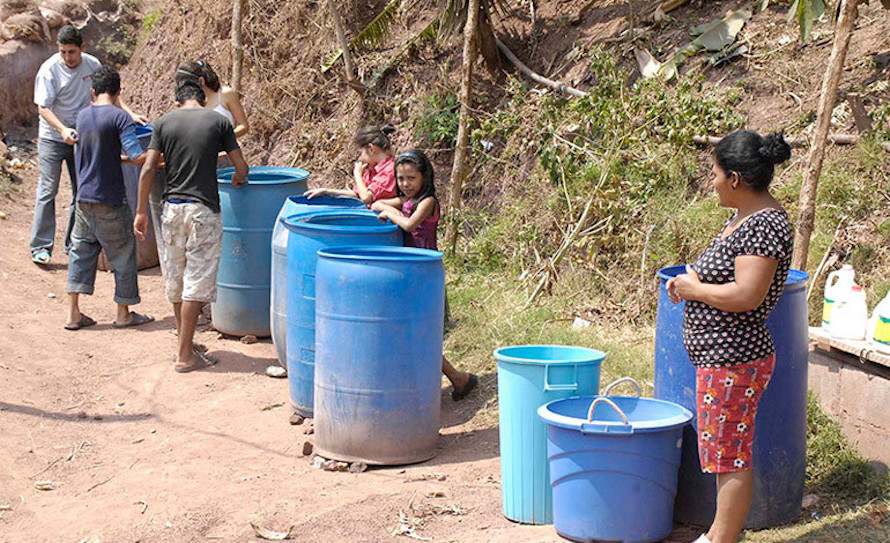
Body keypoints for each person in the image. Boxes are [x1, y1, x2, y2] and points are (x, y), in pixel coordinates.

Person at [665, 130, 793, 543]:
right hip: (720, 358)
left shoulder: (765, 224)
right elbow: (724, 276)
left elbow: (747, 294)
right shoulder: (743, 218)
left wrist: (696, 290)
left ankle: (720, 538)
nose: (712, 181)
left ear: (735, 179)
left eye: (716, 173)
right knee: (723, 450)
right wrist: (690, 282)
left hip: (734, 359)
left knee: (729, 455)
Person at [133, 81, 249, 373]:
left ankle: (185, 344)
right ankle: (185, 356)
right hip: (203, 212)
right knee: (196, 283)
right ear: (203, 100)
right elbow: (241, 166)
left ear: (177, 102)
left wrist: (140, 211)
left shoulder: (163, 123)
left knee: (177, 280)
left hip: (171, 210)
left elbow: (148, 168)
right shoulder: (218, 122)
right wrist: (239, 177)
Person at [31, 25, 146, 265]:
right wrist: (62, 129)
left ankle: (72, 244)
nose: (67, 57)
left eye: (72, 52)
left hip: (83, 137)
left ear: (82, 48)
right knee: (48, 190)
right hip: (54, 137)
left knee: (80, 190)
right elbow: (43, 108)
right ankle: (41, 246)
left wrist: (130, 113)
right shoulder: (49, 71)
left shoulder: (92, 65)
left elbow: (109, 92)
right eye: (63, 52)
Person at [372, 149, 478, 401]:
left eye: (412, 178)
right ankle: (453, 379)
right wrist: (388, 207)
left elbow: (410, 225)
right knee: (409, 333)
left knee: (420, 334)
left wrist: (392, 213)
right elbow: (376, 203)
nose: (405, 184)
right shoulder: (406, 202)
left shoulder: (428, 202)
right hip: (407, 273)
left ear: (424, 177)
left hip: (424, 274)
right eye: (400, 178)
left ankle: (458, 378)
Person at [65, 66, 155, 331]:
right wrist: (157, 158)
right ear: (118, 91)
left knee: (80, 252)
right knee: (123, 254)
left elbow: (97, 152)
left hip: (83, 198)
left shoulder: (82, 116)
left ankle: (73, 314)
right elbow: (136, 155)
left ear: (93, 91)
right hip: (110, 199)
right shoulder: (119, 117)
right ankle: (123, 313)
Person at [304, 125, 397, 205]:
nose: (360, 158)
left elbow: (366, 198)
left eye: (361, 153)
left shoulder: (389, 170)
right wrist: (327, 191)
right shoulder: (373, 171)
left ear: (371, 149)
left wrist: (357, 175)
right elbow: (357, 194)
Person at [173, 60, 249, 138]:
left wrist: (224, 138)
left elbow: (243, 126)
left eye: (187, 86)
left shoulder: (226, 94)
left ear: (201, 81)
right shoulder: (188, 105)